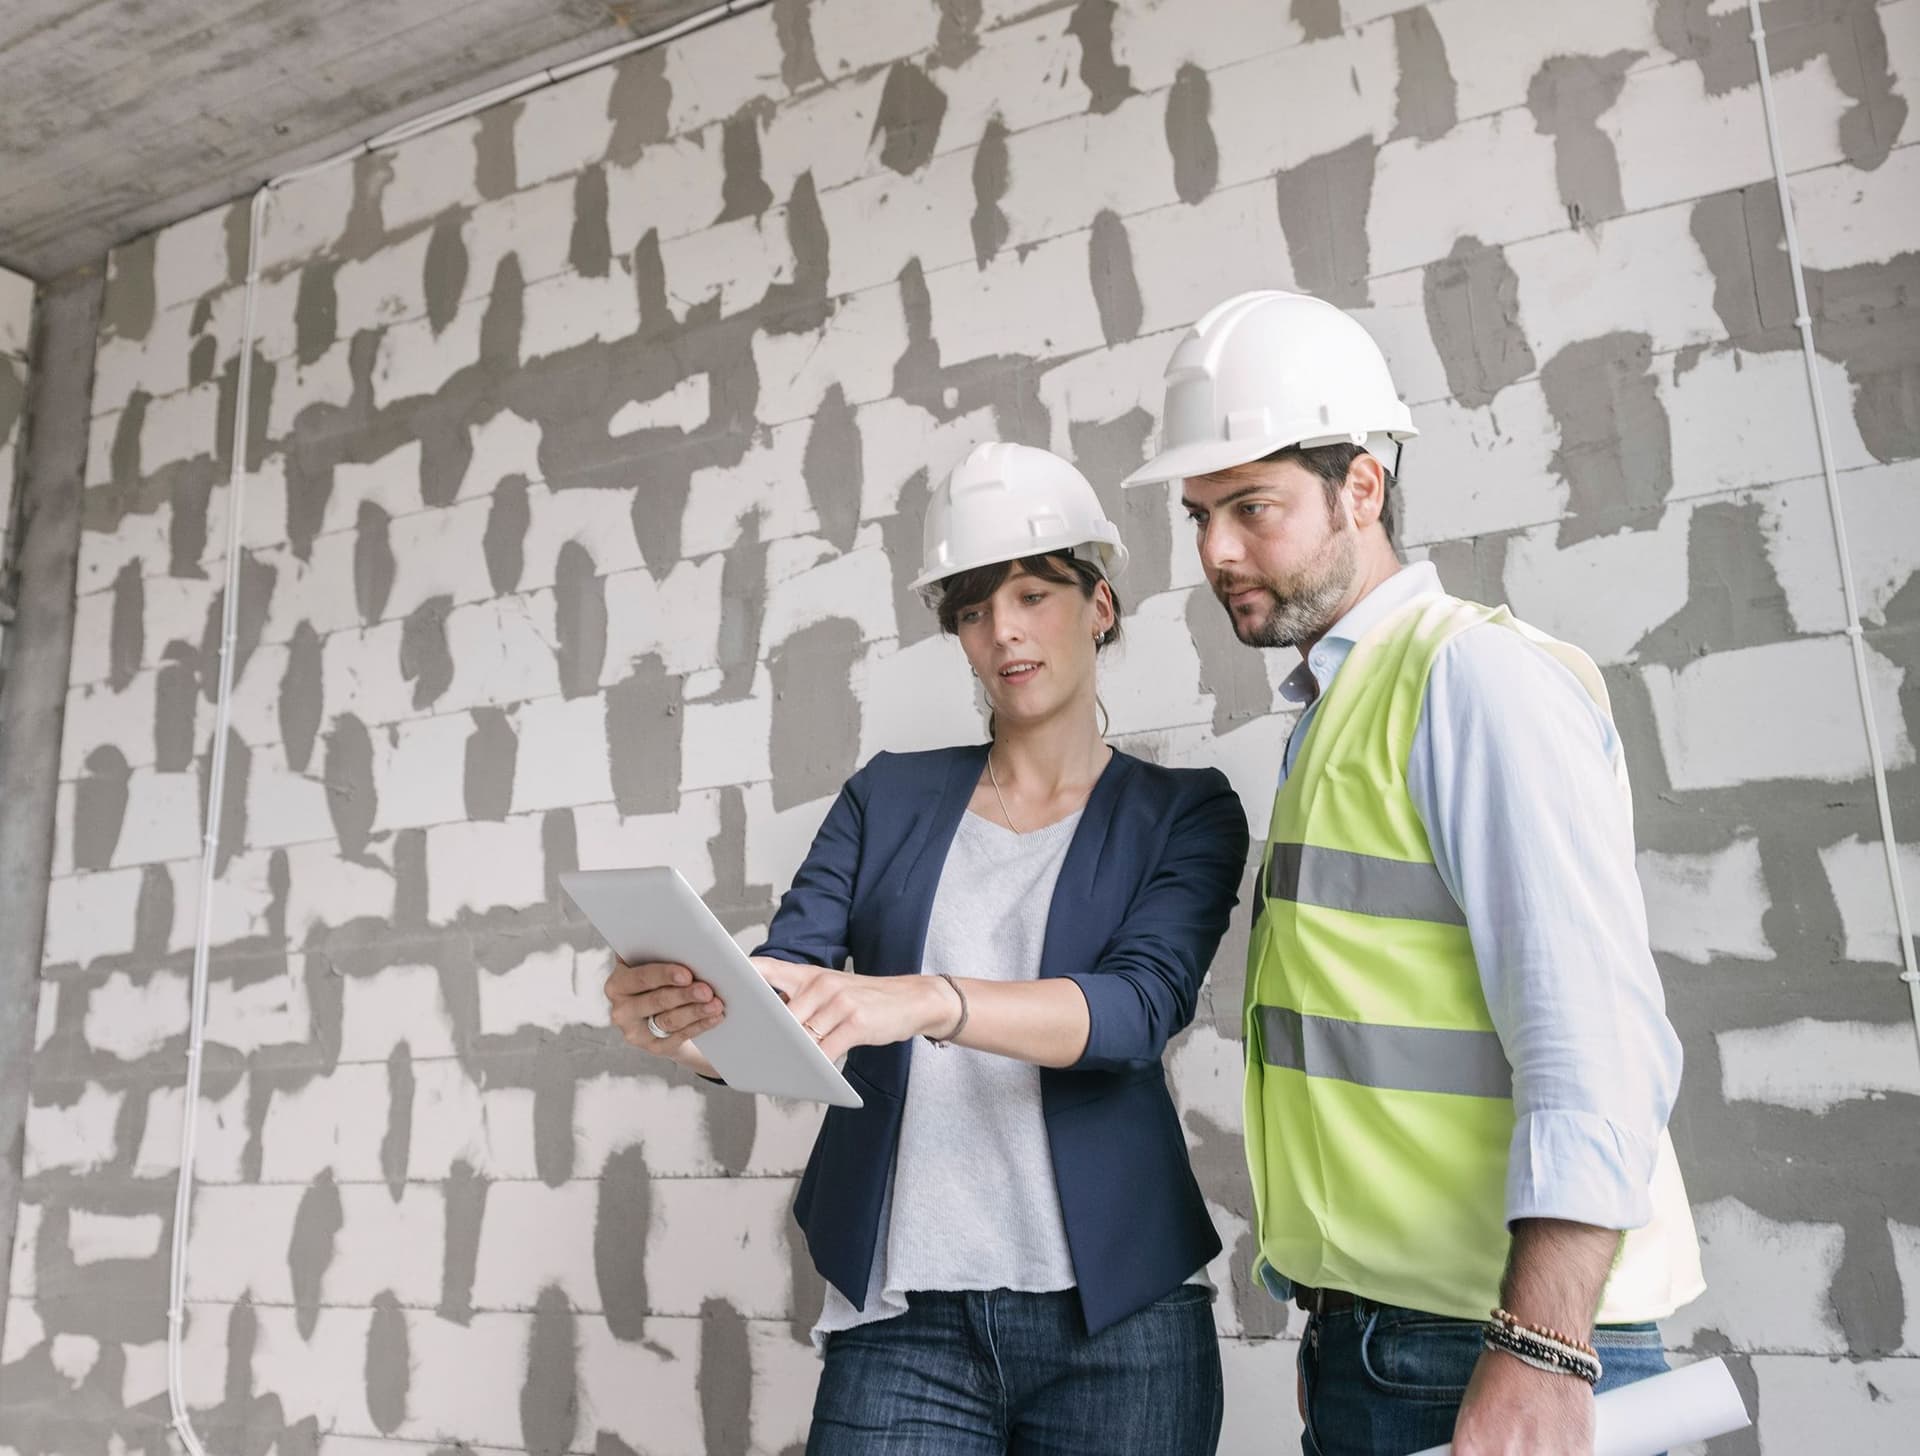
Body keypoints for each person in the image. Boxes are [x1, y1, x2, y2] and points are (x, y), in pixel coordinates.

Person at [1125, 292, 1706, 1456]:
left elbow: (1593, 1035)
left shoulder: (1470, 680)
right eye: (1199, 516)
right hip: (1394, 1343)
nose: (1217, 552)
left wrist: (1539, 1348)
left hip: (1492, 1339)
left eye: (1252, 507)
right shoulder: (1341, 711)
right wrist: (1339, 1328)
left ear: (1362, 488)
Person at [605, 442, 1248, 1456]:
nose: (1005, 630)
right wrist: (679, 1018)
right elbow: (787, 997)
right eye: (973, 608)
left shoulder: (1184, 812)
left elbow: (1135, 1012)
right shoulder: (888, 796)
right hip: (908, 1320)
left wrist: (929, 999)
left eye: (1035, 593)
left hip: (1122, 1319)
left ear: (1103, 606)